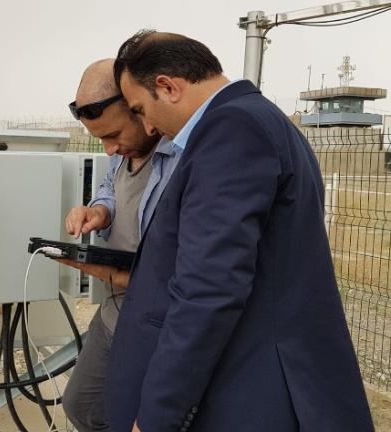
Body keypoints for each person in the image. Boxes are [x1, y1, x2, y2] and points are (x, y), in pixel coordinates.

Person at [105, 30, 374, 432]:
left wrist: (159, 415)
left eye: (141, 109)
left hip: (247, 387)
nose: (147, 126)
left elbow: (209, 288)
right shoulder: (258, 118)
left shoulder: (231, 130)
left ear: (167, 86)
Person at [61, 59, 161, 432]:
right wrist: (99, 211)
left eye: (113, 134)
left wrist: (111, 275)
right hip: (113, 312)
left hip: (148, 319)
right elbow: (109, 188)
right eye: (99, 138)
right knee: (83, 405)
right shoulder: (123, 155)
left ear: (138, 106)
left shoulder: (178, 159)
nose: (108, 149)